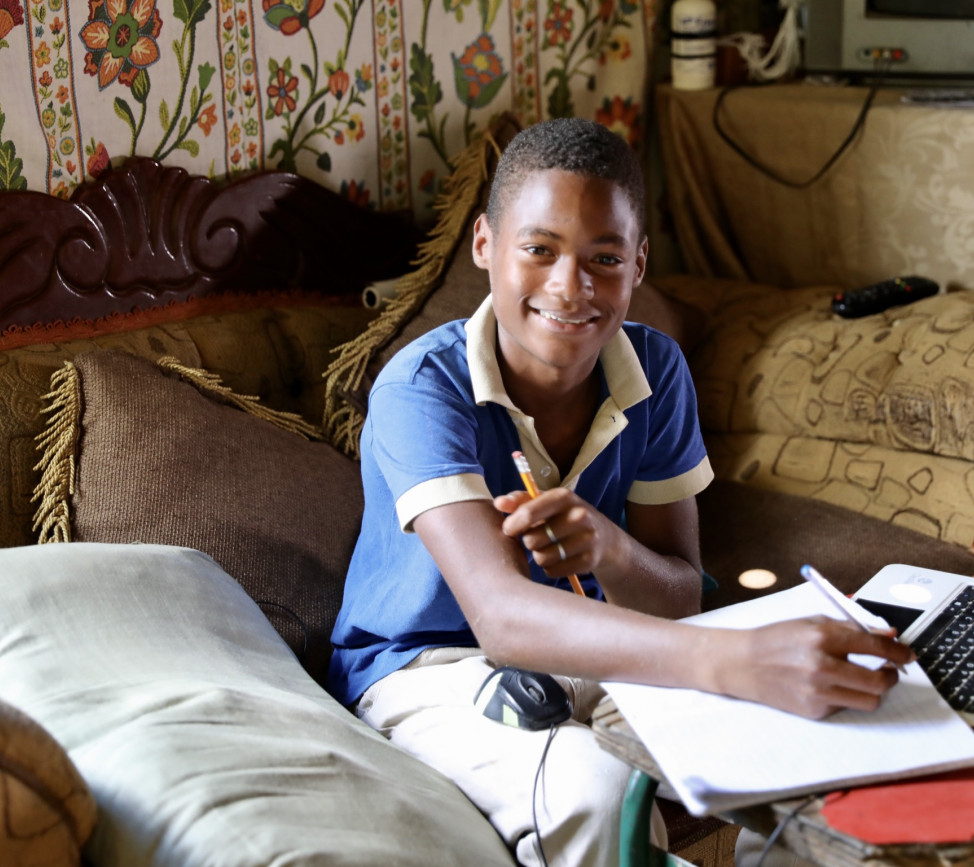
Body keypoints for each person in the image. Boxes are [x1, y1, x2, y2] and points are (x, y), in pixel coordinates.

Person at [327, 117, 913, 867]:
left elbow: (678, 596)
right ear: (484, 245)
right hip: (430, 666)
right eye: (539, 249)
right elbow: (501, 619)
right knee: (596, 791)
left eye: (604, 258)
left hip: (600, 647)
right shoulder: (422, 387)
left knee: (811, 739)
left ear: (638, 265)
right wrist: (728, 657)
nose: (570, 287)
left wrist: (610, 547)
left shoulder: (656, 370)